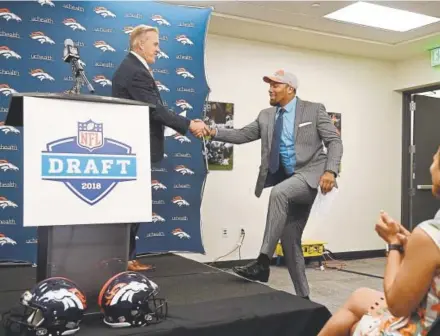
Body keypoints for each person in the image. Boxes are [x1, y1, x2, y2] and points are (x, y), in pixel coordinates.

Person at [204, 69, 343, 299]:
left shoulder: (314, 109)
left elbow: (334, 141)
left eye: (276, 85)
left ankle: (262, 261)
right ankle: (304, 297)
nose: (270, 89)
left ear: (290, 88)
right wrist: (211, 131)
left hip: (310, 176)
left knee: (278, 193)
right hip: (289, 180)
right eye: (269, 85)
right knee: (290, 242)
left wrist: (331, 170)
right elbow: (241, 135)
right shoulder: (266, 115)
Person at [112, 24, 206, 272]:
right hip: (135, 148)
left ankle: (127, 257)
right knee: (132, 204)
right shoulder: (135, 71)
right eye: (155, 43)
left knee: (134, 204)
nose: (158, 48)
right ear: (140, 44)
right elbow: (155, 110)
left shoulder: (133, 68)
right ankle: (125, 259)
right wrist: (188, 124)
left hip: (134, 147)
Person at [317, 147, 440, 336]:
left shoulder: (429, 234)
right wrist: (411, 242)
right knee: (359, 296)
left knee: (352, 322)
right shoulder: (429, 236)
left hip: (420, 328)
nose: (432, 161)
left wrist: (394, 245)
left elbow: (397, 305)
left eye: (436, 156)